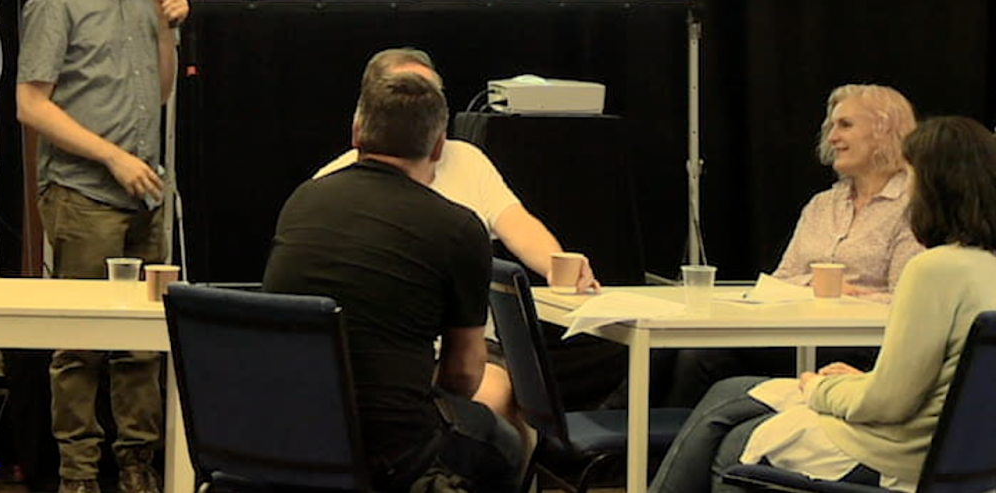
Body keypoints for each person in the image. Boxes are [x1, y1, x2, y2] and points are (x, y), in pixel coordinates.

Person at [647, 116, 996, 493]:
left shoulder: (934, 270)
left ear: (935, 186)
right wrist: (856, 381)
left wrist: (818, 390)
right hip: (959, 458)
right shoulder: (982, 266)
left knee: (739, 440)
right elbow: (936, 381)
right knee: (731, 393)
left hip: (894, 454)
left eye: (910, 176)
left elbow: (889, 404)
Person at [317, 48, 617, 417]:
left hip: (467, 349)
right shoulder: (330, 185)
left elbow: (516, 222)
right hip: (376, 357)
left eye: (428, 96)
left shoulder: (468, 163)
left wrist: (557, 266)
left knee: (489, 403)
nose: (417, 109)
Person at [265, 70, 522, 493]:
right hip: (393, 453)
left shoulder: (302, 201)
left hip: (286, 435)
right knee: (504, 443)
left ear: (356, 132)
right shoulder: (458, 228)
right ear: (438, 146)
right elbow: (462, 376)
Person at [15, 0, 189, 493]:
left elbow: (161, 90)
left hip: (145, 192)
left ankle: (137, 464)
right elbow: (32, 106)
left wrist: (169, 29)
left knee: (142, 339)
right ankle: (80, 473)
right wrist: (112, 157)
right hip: (84, 195)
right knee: (81, 341)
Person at [662, 83, 924, 407]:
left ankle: (668, 450)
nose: (832, 138)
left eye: (845, 125)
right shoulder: (822, 205)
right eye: (831, 127)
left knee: (700, 356)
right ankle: (615, 443)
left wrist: (856, 297)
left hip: (858, 343)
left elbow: (909, 300)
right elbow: (781, 279)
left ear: (885, 131)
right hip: (795, 334)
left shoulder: (914, 206)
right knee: (666, 347)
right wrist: (818, 285)